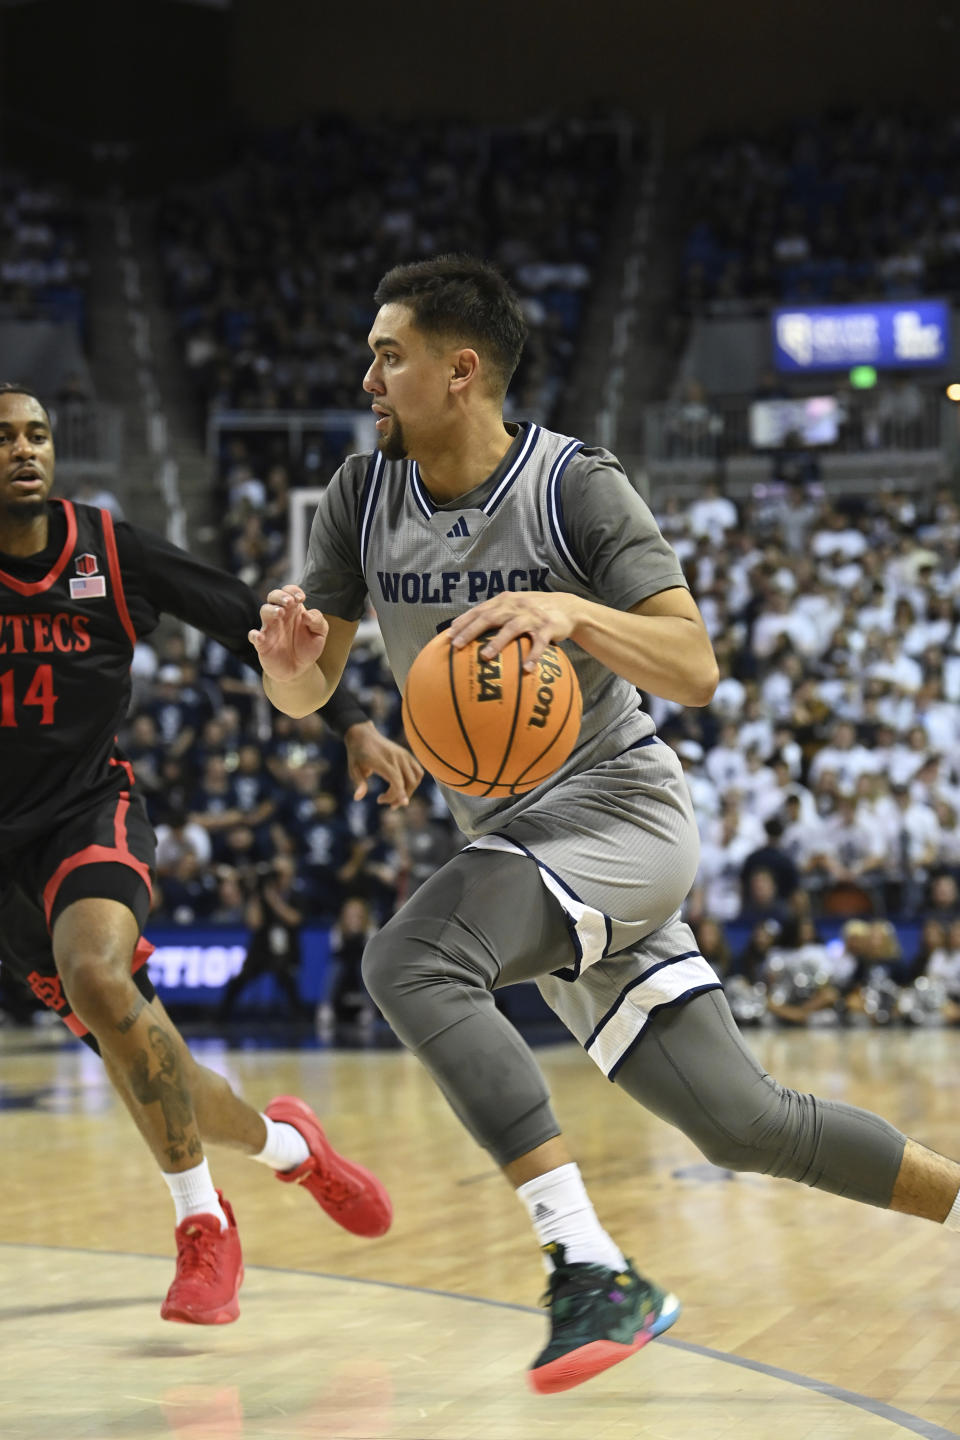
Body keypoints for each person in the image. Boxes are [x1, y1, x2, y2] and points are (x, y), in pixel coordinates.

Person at [250, 255, 960, 1397]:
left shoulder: (575, 487)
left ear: (460, 368)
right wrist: (292, 677)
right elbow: (309, 683)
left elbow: (695, 666)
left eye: (390, 353)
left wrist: (571, 608)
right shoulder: (359, 498)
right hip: (520, 845)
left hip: (619, 812)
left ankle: (590, 1269)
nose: (368, 375)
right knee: (744, 1125)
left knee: (412, 961)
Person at [0, 384, 423, 1325]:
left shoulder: (107, 550)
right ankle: (290, 1149)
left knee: (101, 983)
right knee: (165, 1072)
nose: (25, 450)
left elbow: (247, 621)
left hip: (84, 815)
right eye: (3, 437)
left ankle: (203, 1222)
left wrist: (350, 722)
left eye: (37, 434)